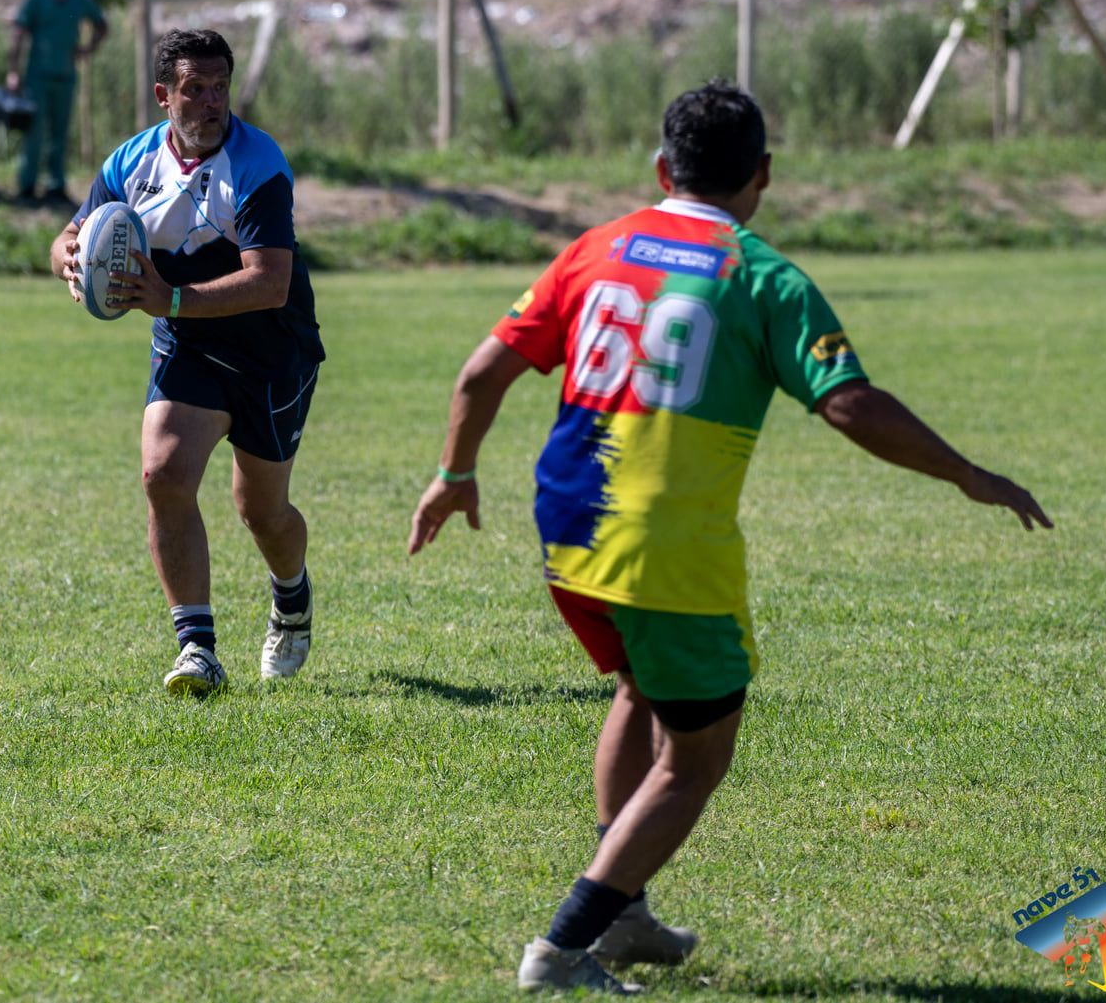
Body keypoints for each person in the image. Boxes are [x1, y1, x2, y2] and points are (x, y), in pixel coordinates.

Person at [407, 81, 1052, 994]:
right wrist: (967, 474)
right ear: (763, 176)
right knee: (697, 755)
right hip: (661, 536)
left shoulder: (596, 248)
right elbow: (847, 403)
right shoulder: (762, 275)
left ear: (662, 168)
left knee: (640, 685)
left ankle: (624, 916)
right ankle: (560, 948)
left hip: (568, 520)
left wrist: (455, 474)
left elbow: (480, 373)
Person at [50, 28, 325, 697]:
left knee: (262, 512)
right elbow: (66, 235)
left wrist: (166, 295)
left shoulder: (258, 164)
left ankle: (290, 598)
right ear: (162, 95)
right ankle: (196, 648)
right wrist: (69, 259)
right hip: (189, 341)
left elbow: (269, 282)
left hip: (269, 353)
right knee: (162, 472)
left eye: (220, 87)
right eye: (194, 88)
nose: (210, 102)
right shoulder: (132, 162)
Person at [6, 0, 107, 205]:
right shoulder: (36, 2)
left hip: (65, 77)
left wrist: (86, 49)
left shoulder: (77, 2)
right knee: (35, 133)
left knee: (59, 135)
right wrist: (13, 72)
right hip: (37, 79)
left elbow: (102, 25)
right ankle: (27, 187)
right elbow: (18, 34)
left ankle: (55, 186)